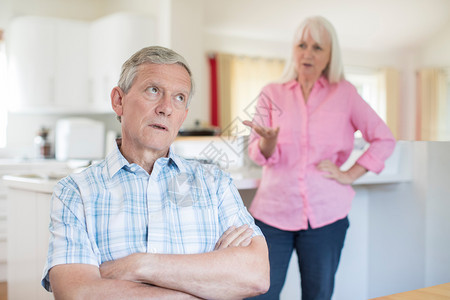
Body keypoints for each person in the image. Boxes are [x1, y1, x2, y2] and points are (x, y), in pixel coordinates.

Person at [42, 46, 270, 299]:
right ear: (119, 101)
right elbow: (78, 293)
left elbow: (256, 275)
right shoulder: (75, 192)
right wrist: (207, 287)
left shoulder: (215, 183)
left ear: (183, 116)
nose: (166, 108)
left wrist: (139, 265)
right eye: (154, 91)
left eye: (179, 97)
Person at [243, 16, 396, 300]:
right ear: (293, 49)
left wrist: (349, 174)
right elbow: (258, 154)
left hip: (327, 214)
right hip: (273, 214)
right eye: (302, 45)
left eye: (317, 47)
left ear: (329, 55)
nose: (307, 53)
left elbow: (384, 138)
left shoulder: (346, 94)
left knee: (318, 295)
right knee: (260, 293)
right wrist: (269, 141)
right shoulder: (271, 93)